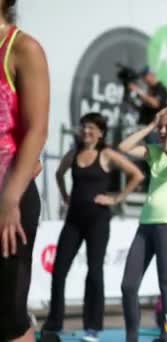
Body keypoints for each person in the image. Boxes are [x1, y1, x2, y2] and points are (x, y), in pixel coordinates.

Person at [41, 113, 144, 341]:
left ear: (100, 132)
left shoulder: (106, 154)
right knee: (58, 270)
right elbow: (59, 173)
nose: (85, 131)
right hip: (74, 220)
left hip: (98, 220)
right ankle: (54, 322)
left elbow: (136, 174)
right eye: (83, 127)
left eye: (90, 128)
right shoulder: (74, 153)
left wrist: (117, 198)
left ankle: (93, 326)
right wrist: (65, 195)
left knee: (94, 272)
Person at [118, 107, 167, 342]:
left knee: (166, 284)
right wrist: (151, 126)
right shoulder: (154, 150)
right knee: (128, 286)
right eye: (161, 127)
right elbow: (122, 149)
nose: (163, 131)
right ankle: (131, 338)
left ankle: (166, 337)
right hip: (146, 224)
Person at [0, 1, 50, 341]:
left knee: (7, 317)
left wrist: (10, 198)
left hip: (8, 198)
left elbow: (37, 130)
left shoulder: (22, 48)